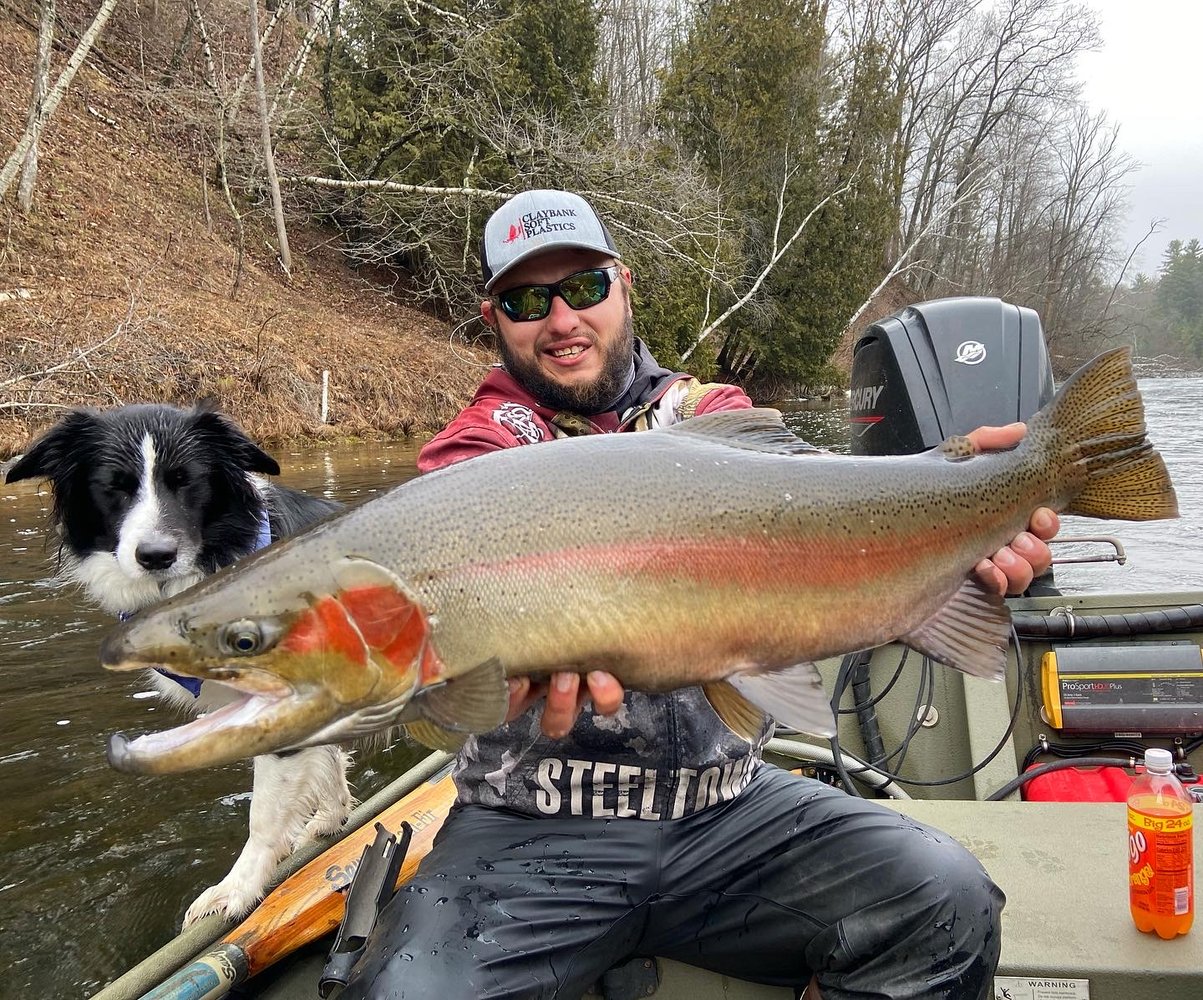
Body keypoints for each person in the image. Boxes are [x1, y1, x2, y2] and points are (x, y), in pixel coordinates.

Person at [341, 190, 1060, 1000]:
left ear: (624, 285)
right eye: (525, 300)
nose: (560, 319)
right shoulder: (471, 460)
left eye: (582, 288)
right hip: (525, 829)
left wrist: (964, 496)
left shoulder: (711, 415)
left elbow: (830, 509)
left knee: (946, 903)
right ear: (492, 318)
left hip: (729, 812)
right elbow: (423, 674)